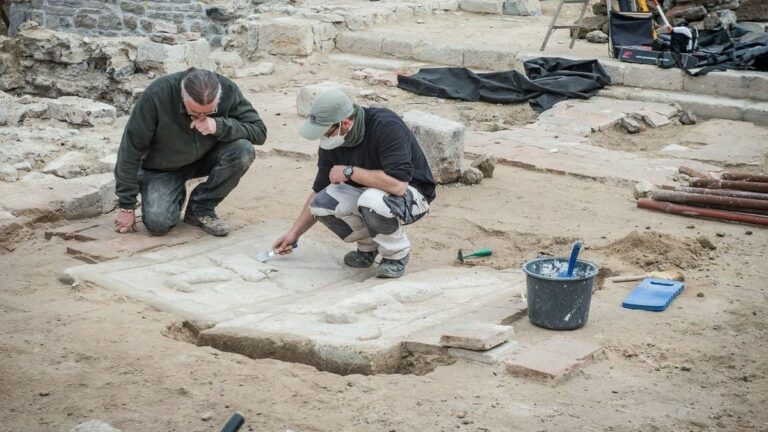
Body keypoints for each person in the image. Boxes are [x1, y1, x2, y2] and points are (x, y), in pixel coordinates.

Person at [273, 89, 436, 278]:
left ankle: (396, 254)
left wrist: (350, 172)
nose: (323, 138)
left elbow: (398, 186)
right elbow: (319, 191)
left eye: (326, 132)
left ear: (345, 123)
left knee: (371, 202)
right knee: (321, 204)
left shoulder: (385, 125)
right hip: (370, 192)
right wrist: (294, 233)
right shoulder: (332, 141)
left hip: (412, 193)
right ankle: (368, 248)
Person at [113, 67, 267, 236]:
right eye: (194, 111)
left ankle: (200, 207)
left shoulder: (228, 89)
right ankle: (173, 192)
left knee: (243, 150)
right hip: (163, 168)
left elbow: (259, 131)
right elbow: (130, 150)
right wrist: (126, 205)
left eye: (208, 112)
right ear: (182, 96)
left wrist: (219, 125)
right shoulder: (157, 95)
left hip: (206, 156)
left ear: (219, 97)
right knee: (158, 224)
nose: (201, 116)